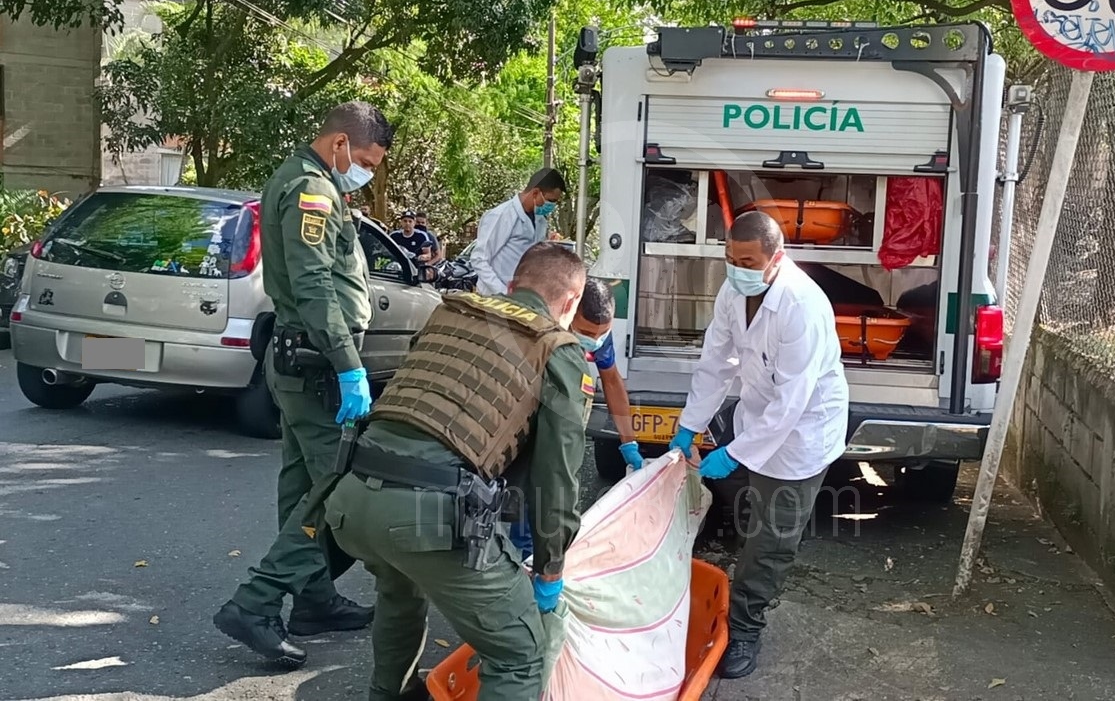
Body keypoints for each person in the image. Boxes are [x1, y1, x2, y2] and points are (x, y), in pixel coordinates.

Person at [324, 241, 590, 700]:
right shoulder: (556, 349)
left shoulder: (450, 314)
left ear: (512, 285)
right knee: (518, 653)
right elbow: (556, 480)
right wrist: (550, 570)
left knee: (400, 591)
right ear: (570, 303)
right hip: (426, 516)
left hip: (351, 500)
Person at [213, 101, 395, 667]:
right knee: (336, 489)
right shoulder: (312, 190)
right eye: (364, 160)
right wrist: (348, 364)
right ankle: (256, 601)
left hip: (301, 364)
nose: (365, 172)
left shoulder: (305, 180)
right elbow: (315, 283)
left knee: (300, 484)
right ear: (340, 144)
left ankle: (314, 600)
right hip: (317, 366)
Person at [668, 211, 849, 680]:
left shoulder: (802, 306)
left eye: (747, 260)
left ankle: (746, 628)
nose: (737, 268)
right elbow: (717, 360)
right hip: (759, 418)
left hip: (801, 436)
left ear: (776, 258)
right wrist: (690, 425)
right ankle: (739, 577)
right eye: (730, 258)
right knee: (749, 516)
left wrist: (736, 452)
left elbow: (792, 404)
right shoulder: (734, 292)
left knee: (771, 540)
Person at [508, 277, 640, 558]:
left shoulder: (598, 338)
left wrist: (629, 443)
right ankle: (526, 566)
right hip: (523, 423)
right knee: (528, 508)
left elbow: (613, 382)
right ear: (569, 311)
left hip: (557, 429)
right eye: (585, 332)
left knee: (548, 509)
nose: (593, 340)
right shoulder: (539, 333)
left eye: (601, 333)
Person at [470, 168, 566, 295]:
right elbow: (479, 259)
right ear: (535, 192)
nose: (552, 206)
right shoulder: (501, 215)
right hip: (494, 298)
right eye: (551, 201)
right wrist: (503, 292)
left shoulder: (540, 221)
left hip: (522, 296)